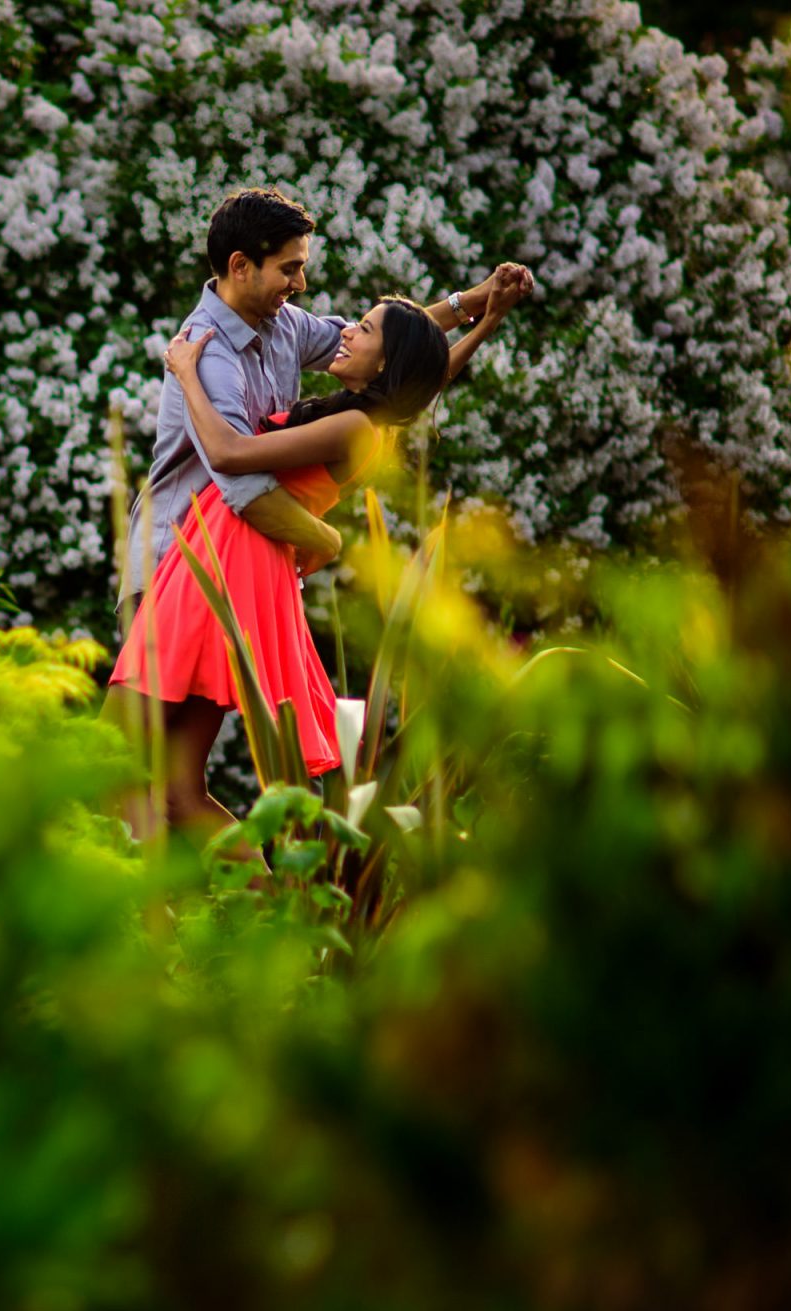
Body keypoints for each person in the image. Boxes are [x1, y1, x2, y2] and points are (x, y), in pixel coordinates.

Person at [107, 284, 520, 839]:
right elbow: (422, 370)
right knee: (180, 791)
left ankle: (119, 883)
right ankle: (269, 895)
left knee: (110, 753)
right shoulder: (361, 418)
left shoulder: (355, 428)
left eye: (364, 329)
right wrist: (481, 319)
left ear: (385, 365)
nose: (347, 330)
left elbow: (230, 452)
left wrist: (186, 374)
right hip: (240, 561)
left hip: (225, 557)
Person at [121, 188, 535, 634]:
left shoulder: (285, 325)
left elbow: (396, 347)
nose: (300, 283)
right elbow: (241, 483)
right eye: (289, 269)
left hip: (240, 566)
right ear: (240, 266)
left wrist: (476, 304)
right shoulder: (207, 352)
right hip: (176, 569)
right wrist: (324, 538)